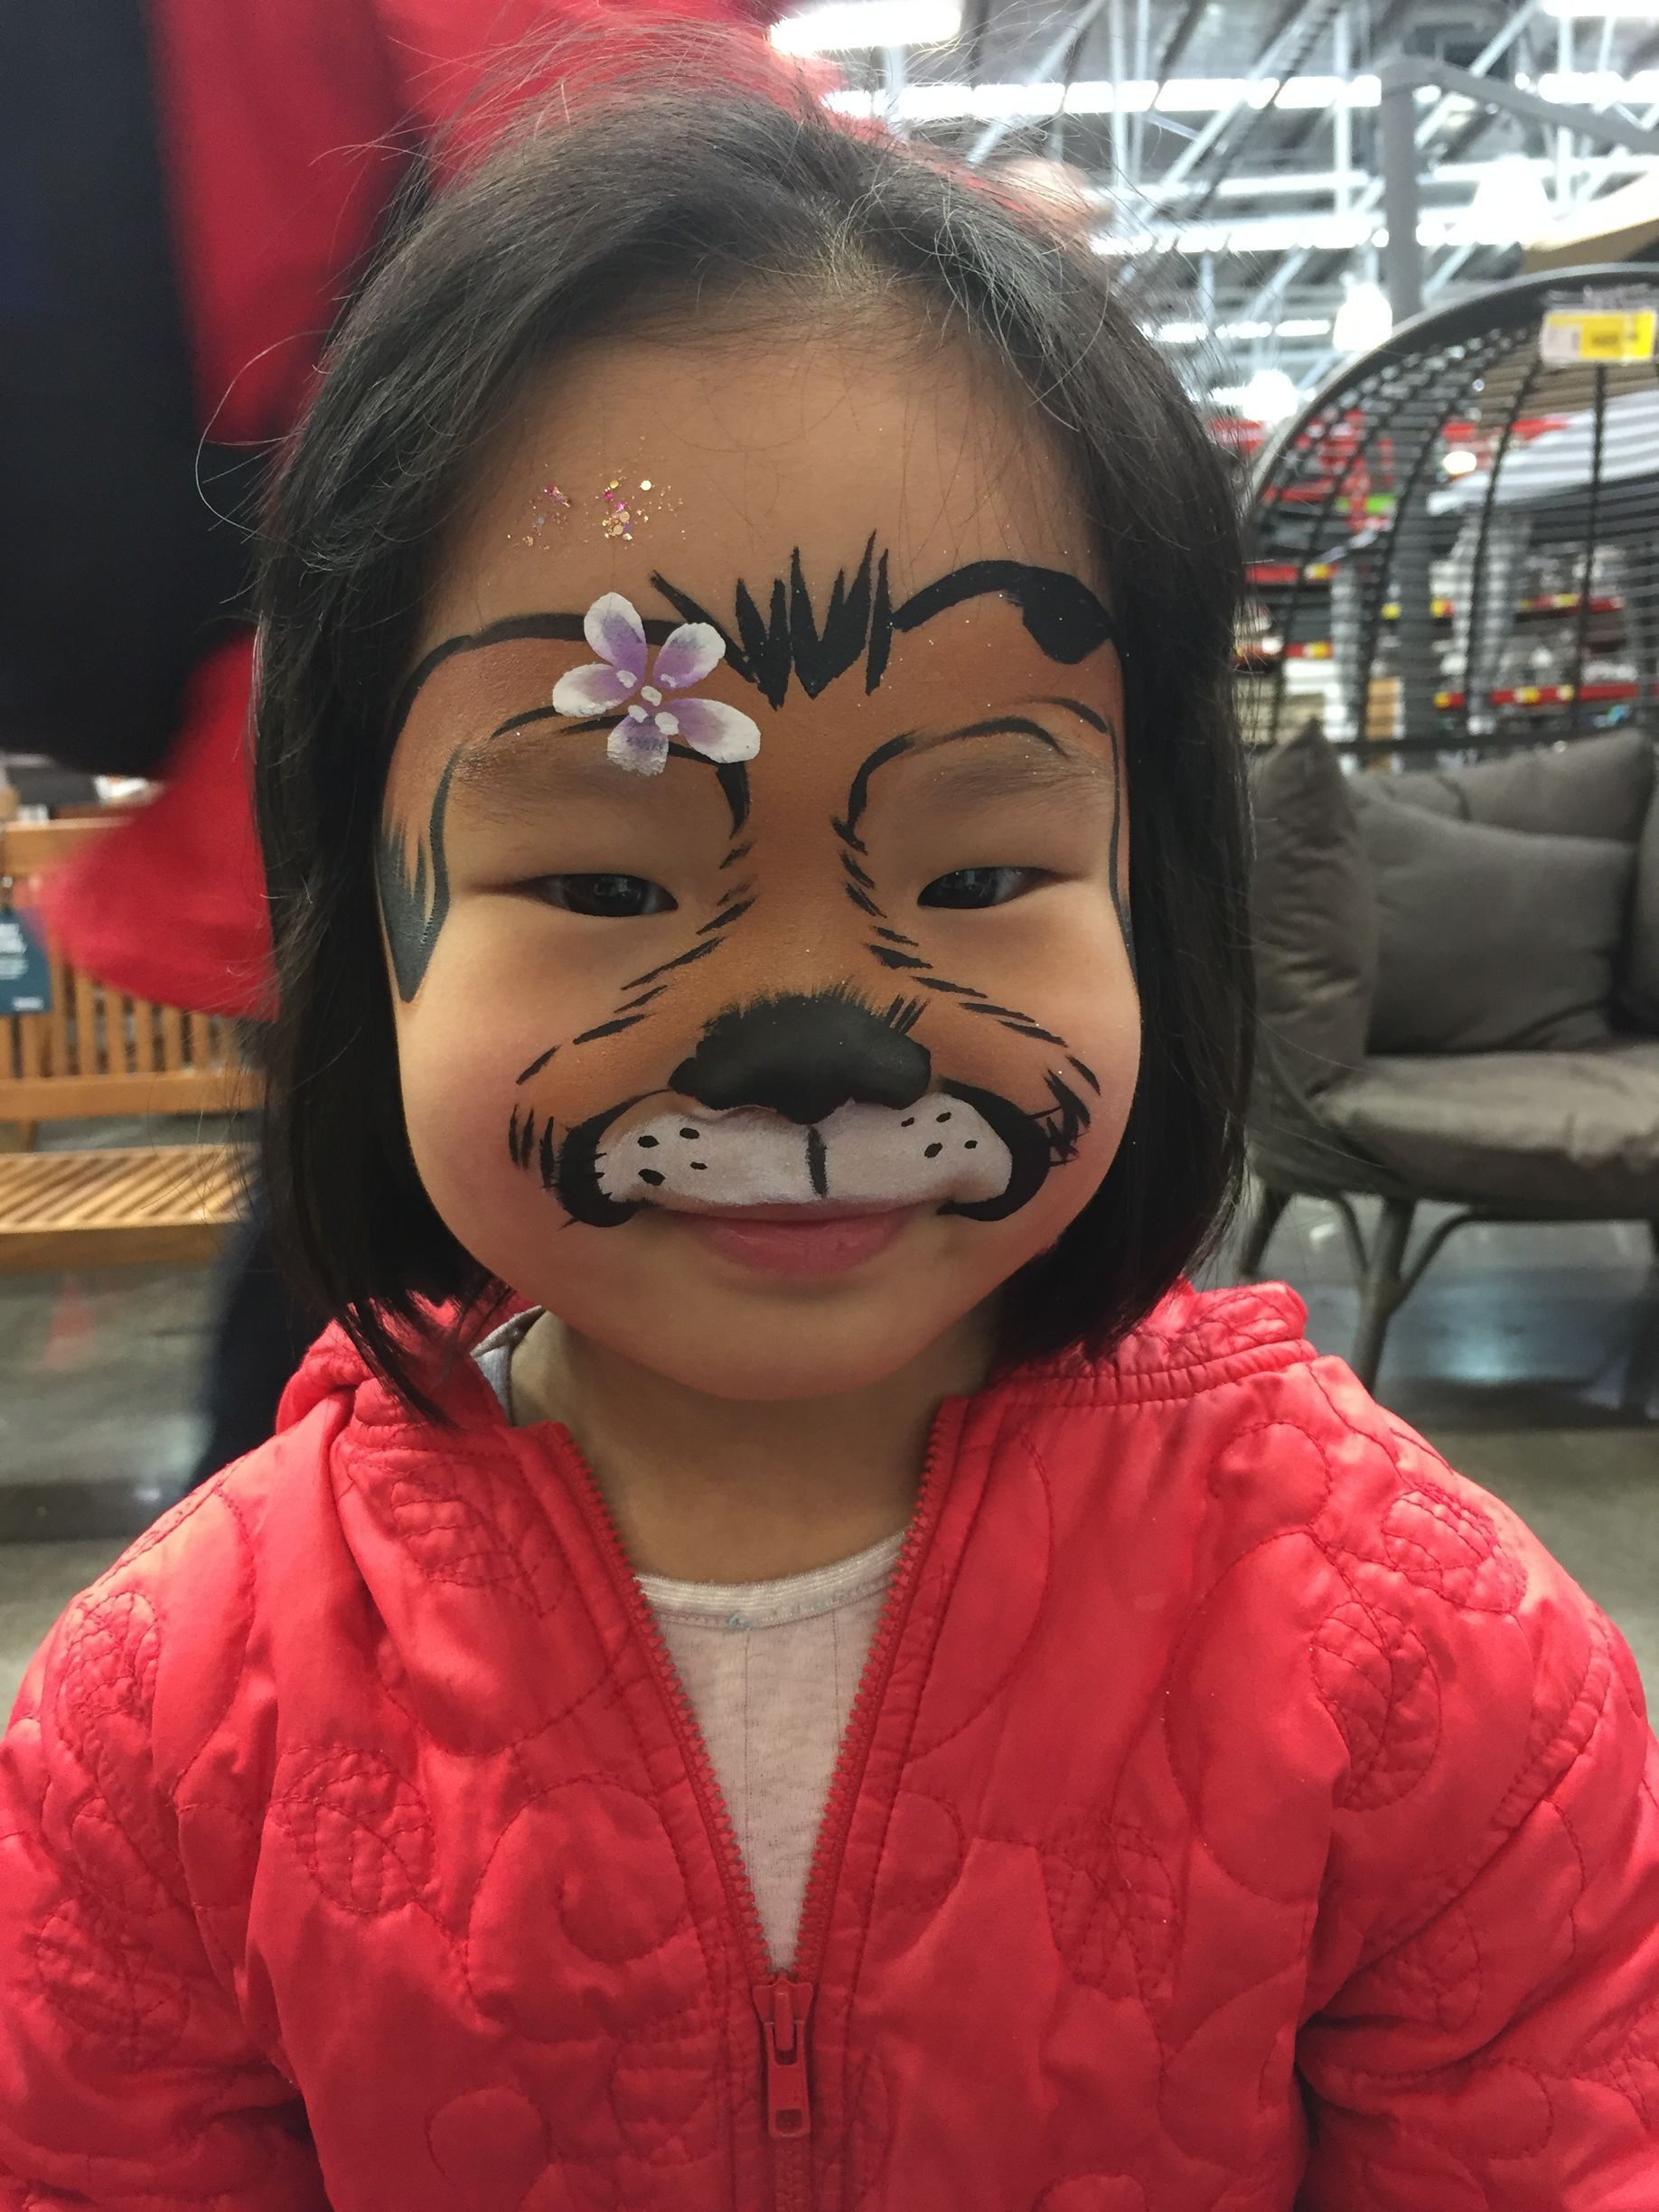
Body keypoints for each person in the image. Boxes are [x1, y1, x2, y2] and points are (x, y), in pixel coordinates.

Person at [3, 42, 1657, 2206]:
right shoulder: (163, 1731)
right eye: (601, 886)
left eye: (980, 880)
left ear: (1159, 890)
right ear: (363, 917)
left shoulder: (1424, 1667)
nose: (819, 1040)